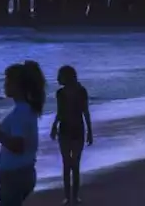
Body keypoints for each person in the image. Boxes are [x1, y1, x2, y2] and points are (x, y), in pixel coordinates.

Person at [0, 61, 46, 206]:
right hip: (24, 172)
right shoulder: (25, 110)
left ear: (18, 86)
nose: (5, 85)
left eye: (8, 81)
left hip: (14, 175)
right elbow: (3, 132)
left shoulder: (21, 112)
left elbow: (17, 146)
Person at [50, 65, 92, 205]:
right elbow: (60, 111)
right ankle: (68, 197)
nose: (57, 79)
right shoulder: (60, 93)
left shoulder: (81, 91)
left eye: (60, 76)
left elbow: (85, 111)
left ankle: (75, 196)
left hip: (78, 130)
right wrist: (54, 125)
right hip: (64, 131)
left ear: (67, 77)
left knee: (75, 165)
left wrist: (90, 132)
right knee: (67, 164)